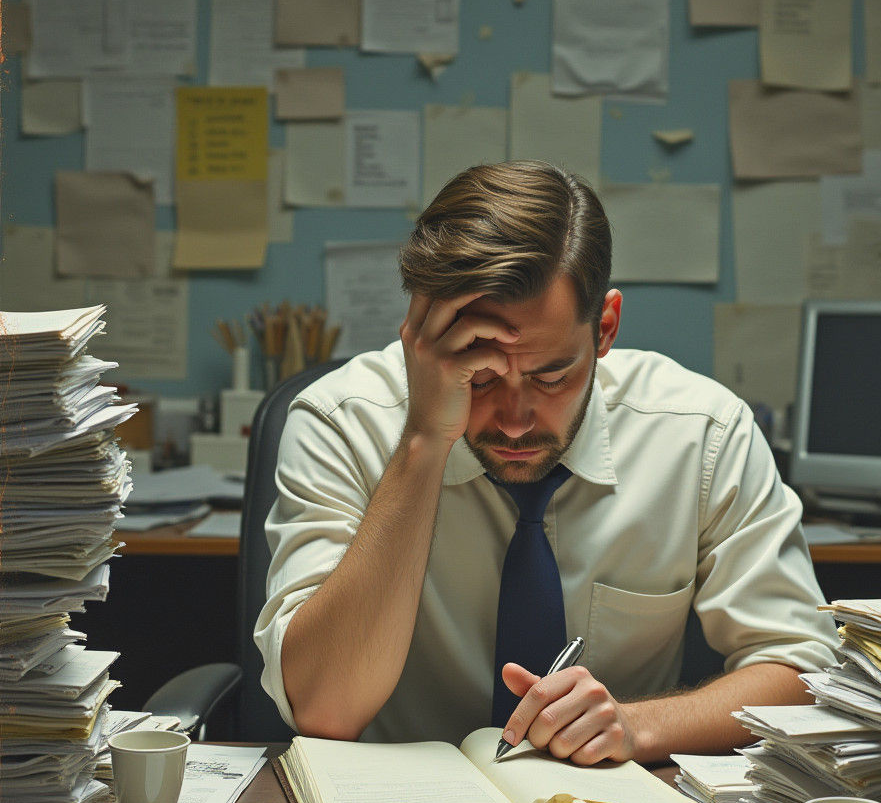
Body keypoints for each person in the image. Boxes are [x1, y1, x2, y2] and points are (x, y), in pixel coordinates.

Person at [255, 160, 839, 766]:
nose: (514, 420)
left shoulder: (702, 434)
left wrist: (637, 727)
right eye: (479, 377)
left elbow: (802, 673)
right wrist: (425, 439)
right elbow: (325, 709)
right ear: (421, 340)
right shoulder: (341, 422)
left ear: (605, 328)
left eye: (552, 376)